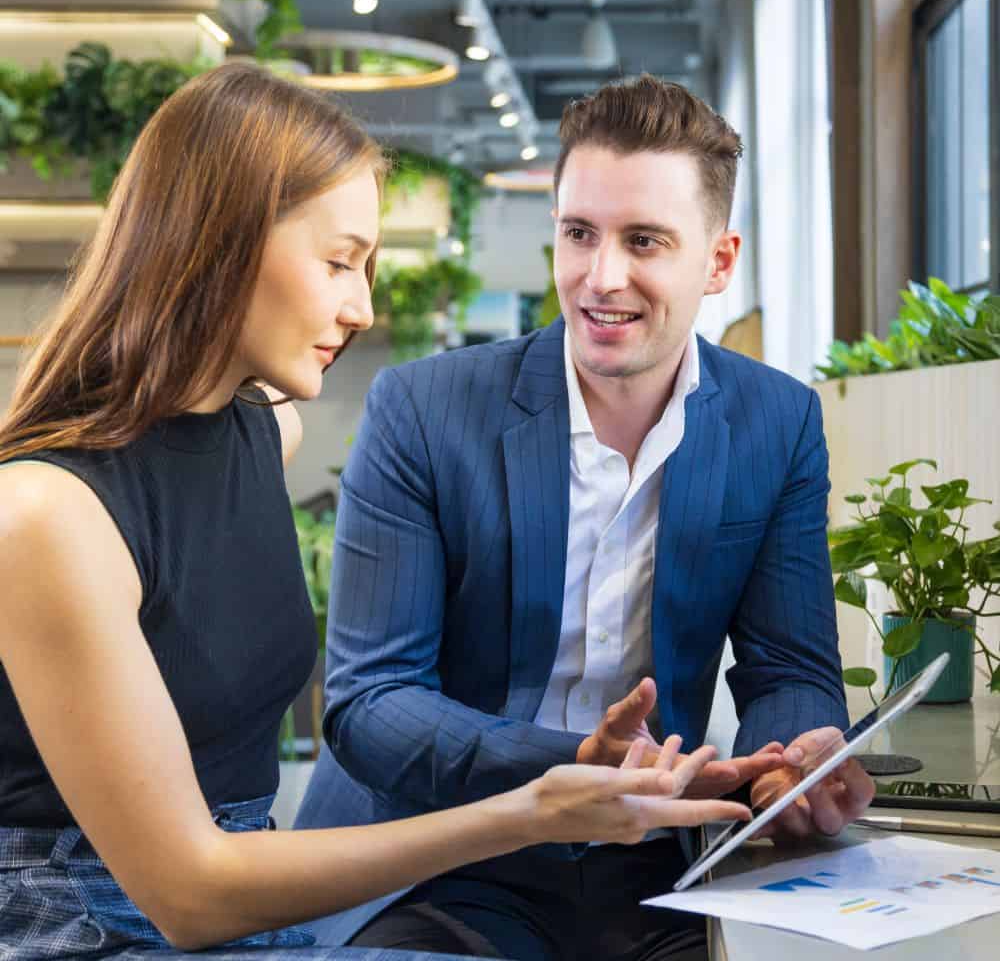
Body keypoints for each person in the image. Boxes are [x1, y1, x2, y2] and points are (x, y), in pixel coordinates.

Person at [0, 65, 761, 961]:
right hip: (87, 928)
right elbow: (189, 897)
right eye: (338, 261)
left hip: (248, 900)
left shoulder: (263, 431)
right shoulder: (44, 515)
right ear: (217, 241)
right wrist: (525, 814)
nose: (361, 306)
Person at [294, 74, 876, 961]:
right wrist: (572, 764)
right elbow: (370, 704)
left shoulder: (777, 422)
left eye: (644, 240)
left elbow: (789, 666)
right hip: (442, 854)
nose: (602, 278)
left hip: (653, 858)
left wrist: (792, 761)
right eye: (579, 234)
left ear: (718, 261)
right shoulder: (422, 409)